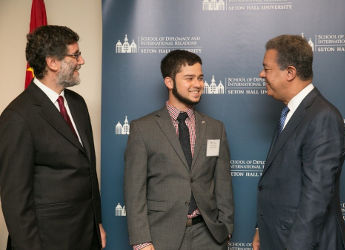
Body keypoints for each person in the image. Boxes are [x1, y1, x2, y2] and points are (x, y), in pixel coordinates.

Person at [0, 25, 106, 250]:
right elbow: (15, 200)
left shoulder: (77, 104)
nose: (82, 61)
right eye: (75, 55)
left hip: (87, 236)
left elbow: (87, 171)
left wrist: (97, 223)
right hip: (48, 242)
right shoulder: (17, 117)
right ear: (52, 62)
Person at [124, 50, 234, 250]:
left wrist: (226, 228)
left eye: (200, 78)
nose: (198, 84)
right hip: (161, 237)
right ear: (169, 82)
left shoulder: (215, 128)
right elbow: (134, 191)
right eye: (189, 78)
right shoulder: (143, 128)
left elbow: (223, 184)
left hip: (209, 236)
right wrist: (142, 241)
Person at [251, 34, 345, 250]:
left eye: (266, 69)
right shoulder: (290, 112)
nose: (261, 74)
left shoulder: (322, 116)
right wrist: (262, 230)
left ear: (290, 72)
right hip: (278, 238)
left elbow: (316, 197)